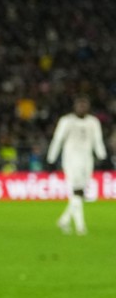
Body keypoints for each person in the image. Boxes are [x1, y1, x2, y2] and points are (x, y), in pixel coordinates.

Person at [48, 96, 105, 235]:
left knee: (80, 193)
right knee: (77, 191)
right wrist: (51, 158)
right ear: (75, 107)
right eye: (80, 105)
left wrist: (102, 156)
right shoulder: (67, 121)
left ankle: (64, 220)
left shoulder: (93, 122)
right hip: (71, 160)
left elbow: (97, 140)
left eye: (84, 105)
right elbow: (58, 139)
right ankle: (80, 226)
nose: (82, 108)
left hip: (87, 160)